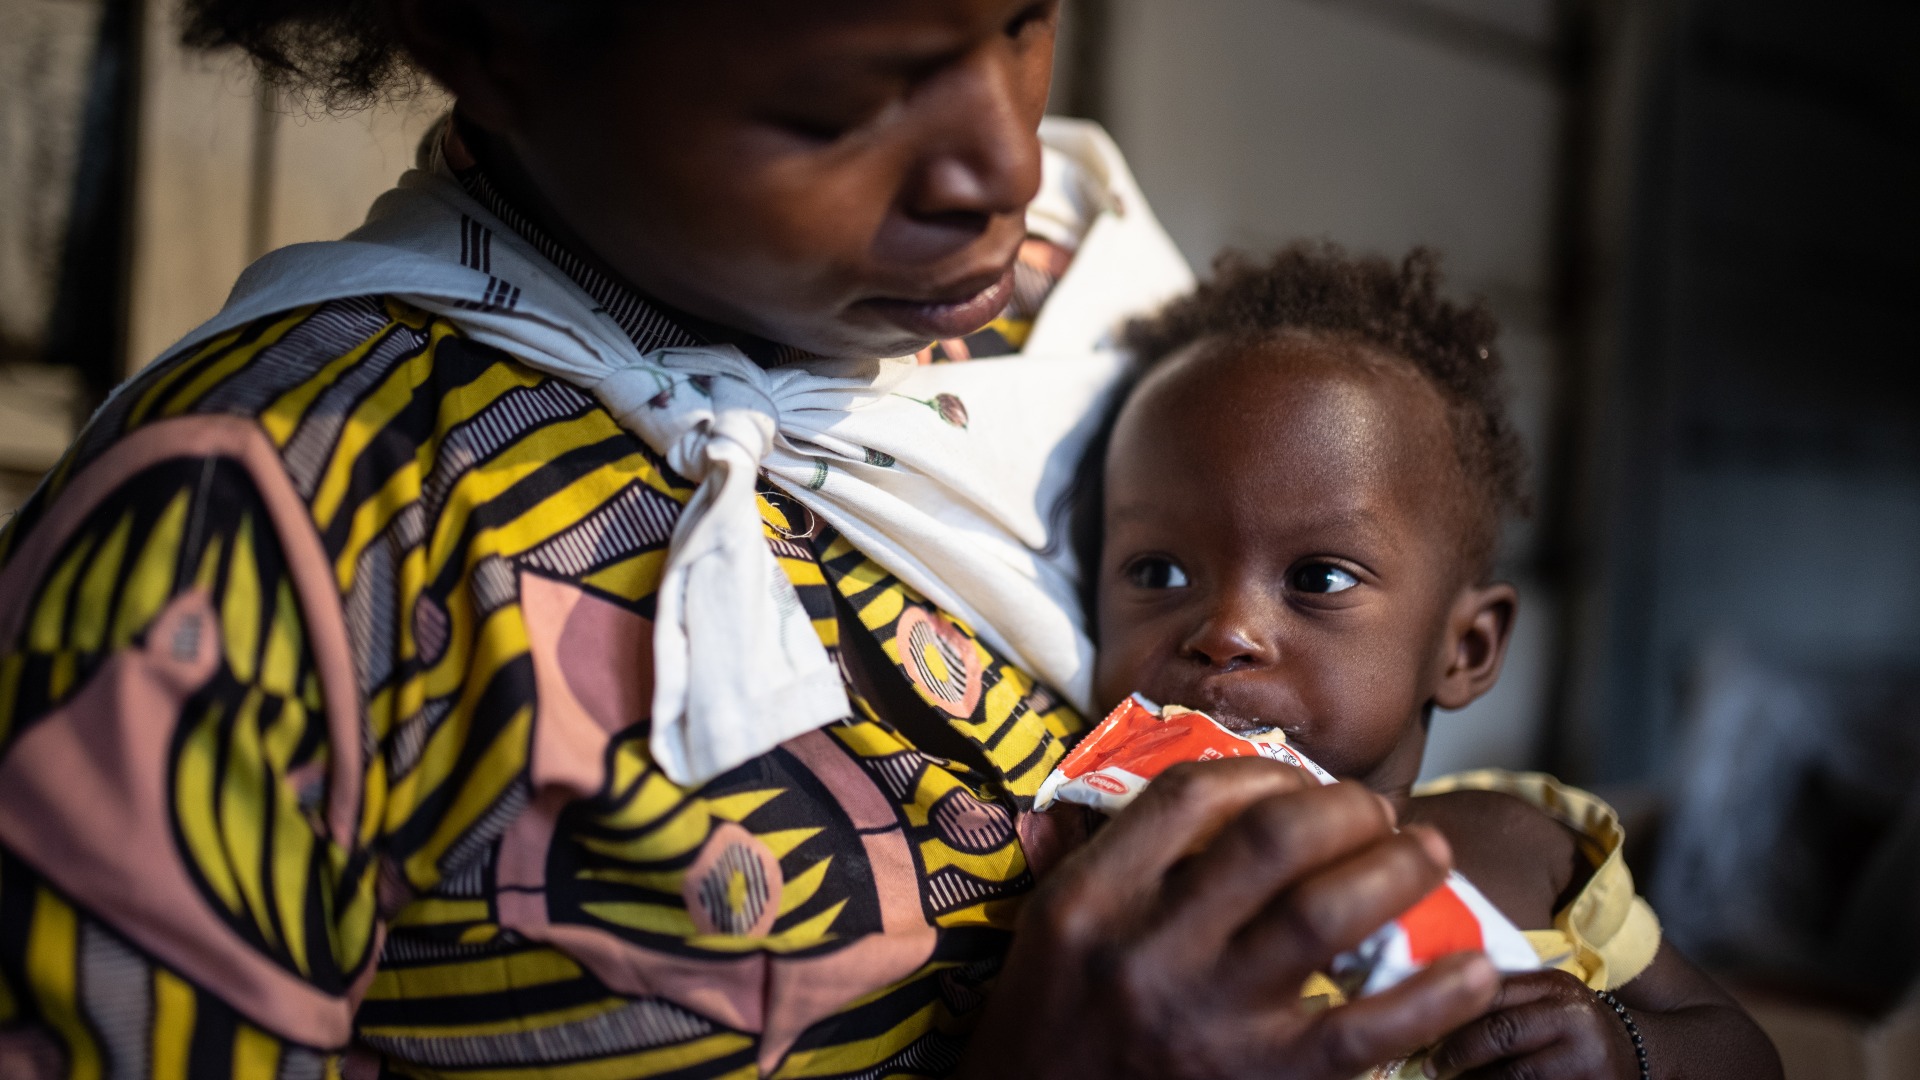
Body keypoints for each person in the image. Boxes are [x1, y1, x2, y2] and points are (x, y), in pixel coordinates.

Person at [0, 3, 1503, 1078]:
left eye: (1023, 23)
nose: (998, 165)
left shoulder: (1059, 321)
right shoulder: (263, 534)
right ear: (499, 42)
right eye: (844, 103)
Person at [1084, 242, 1784, 1080]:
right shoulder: (1110, 895)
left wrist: (1628, 1053)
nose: (1225, 631)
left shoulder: (1524, 852)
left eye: (1317, 578)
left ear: (1466, 649)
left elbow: (1744, 1054)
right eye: (1156, 572)